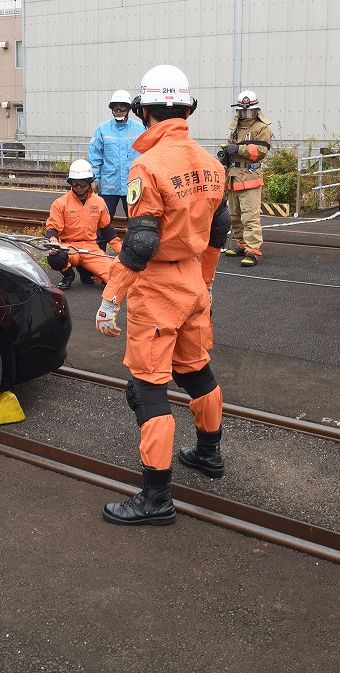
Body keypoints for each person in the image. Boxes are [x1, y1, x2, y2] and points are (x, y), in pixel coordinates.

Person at [94, 64, 232, 526]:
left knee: (147, 389)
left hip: (156, 288)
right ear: (187, 108)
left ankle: (156, 498)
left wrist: (111, 295)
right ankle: (209, 455)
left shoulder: (148, 165)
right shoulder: (211, 164)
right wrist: (207, 281)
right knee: (196, 371)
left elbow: (141, 242)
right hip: (194, 281)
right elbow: (221, 228)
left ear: (144, 111)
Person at [44, 159, 121, 290]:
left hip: (91, 248)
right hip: (69, 247)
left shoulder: (99, 202)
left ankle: (87, 272)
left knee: (114, 280)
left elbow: (107, 230)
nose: (79, 186)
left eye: (83, 182)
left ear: (90, 181)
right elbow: (52, 228)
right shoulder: (60, 203)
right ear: (70, 182)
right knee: (55, 257)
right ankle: (68, 275)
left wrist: (121, 251)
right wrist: (53, 243)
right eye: (75, 183)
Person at [87, 89, 144, 256]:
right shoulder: (103, 129)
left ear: (128, 109)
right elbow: (95, 155)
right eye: (116, 108)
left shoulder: (139, 128)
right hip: (108, 185)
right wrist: (94, 178)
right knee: (101, 224)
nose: (119, 111)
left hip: (133, 184)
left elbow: (147, 154)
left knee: (136, 223)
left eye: (122, 107)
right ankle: (98, 260)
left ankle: (135, 259)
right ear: (112, 109)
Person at [219, 90, 273, 267]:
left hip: (249, 177)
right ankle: (242, 245)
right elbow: (231, 146)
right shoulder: (235, 128)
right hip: (234, 177)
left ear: (256, 110)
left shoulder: (261, 128)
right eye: (242, 111)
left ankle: (253, 250)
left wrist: (238, 149)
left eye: (249, 110)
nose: (245, 114)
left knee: (250, 217)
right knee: (235, 216)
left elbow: (261, 152)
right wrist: (226, 155)